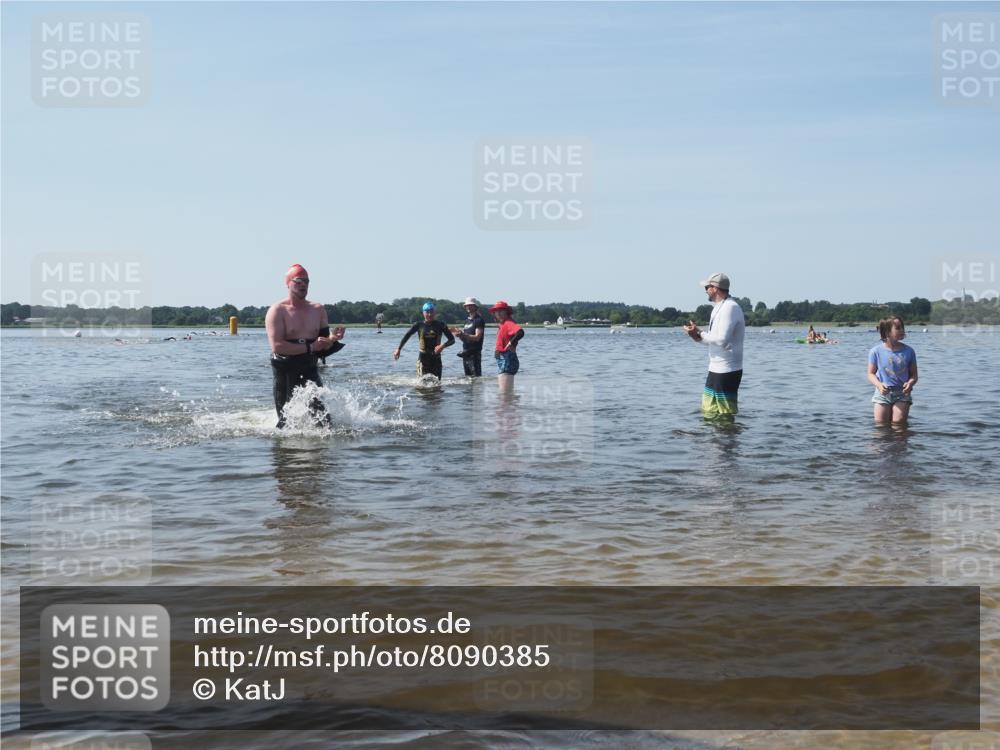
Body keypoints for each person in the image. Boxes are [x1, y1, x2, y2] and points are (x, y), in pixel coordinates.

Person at [265, 263, 346, 428]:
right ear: (288, 283)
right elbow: (277, 346)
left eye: (307, 282)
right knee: (285, 424)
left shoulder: (318, 309)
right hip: (285, 368)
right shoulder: (277, 310)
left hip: (309, 367)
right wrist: (311, 347)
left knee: (325, 422)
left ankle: (320, 453)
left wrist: (332, 339)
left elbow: (323, 347)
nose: (304, 285)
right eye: (299, 281)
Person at [683, 272, 746, 417]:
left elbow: (721, 340)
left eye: (707, 287)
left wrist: (701, 334)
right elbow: (713, 339)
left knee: (725, 414)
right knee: (708, 410)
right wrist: (696, 336)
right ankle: (712, 439)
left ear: (715, 288)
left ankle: (729, 439)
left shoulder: (730, 307)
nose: (705, 290)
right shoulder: (718, 308)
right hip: (715, 368)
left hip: (727, 369)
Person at [867, 314, 918, 425]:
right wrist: (879, 385)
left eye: (902, 327)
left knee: (898, 423)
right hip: (882, 392)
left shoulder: (909, 351)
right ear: (887, 332)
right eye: (898, 328)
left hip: (902, 393)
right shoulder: (875, 351)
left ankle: (900, 442)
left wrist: (910, 383)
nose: (902, 330)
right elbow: (870, 374)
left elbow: (914, 375)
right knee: (880, 425)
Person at [393, 301, 455, 379]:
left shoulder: (441, 325)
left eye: (431, 312)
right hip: (423, 360)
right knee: (421, 386)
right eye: (427, 312)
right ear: (423, 313)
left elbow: (452, 340)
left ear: (435, 313)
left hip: (436, 360)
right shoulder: (418, 325)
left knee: (437, 386)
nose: (429, 314)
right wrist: (398, 349)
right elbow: (407, 335)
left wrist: (442, 346)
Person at [488, 300, 524, 392]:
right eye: (496, 311)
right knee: (505, 394)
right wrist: (497, 351)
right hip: (503, 358)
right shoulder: (502, 324)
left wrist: (511, 343)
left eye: (501, 310)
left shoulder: (508, 323)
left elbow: (520, 332)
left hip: (507, 358)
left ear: (506, 311)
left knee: (504, 394)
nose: (498, 313)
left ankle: (507, 406)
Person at [449, 297, 486, 377]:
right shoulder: (467, 321)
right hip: (466, 353)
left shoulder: (479, 320)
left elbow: (477, 337)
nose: (468, 307)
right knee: (468, 378)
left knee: (476, 378)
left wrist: (462, 334)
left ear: (475, 307)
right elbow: (465, 339)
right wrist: (458, 334)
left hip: (474, 353)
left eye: (470, 305)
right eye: (467, 305)